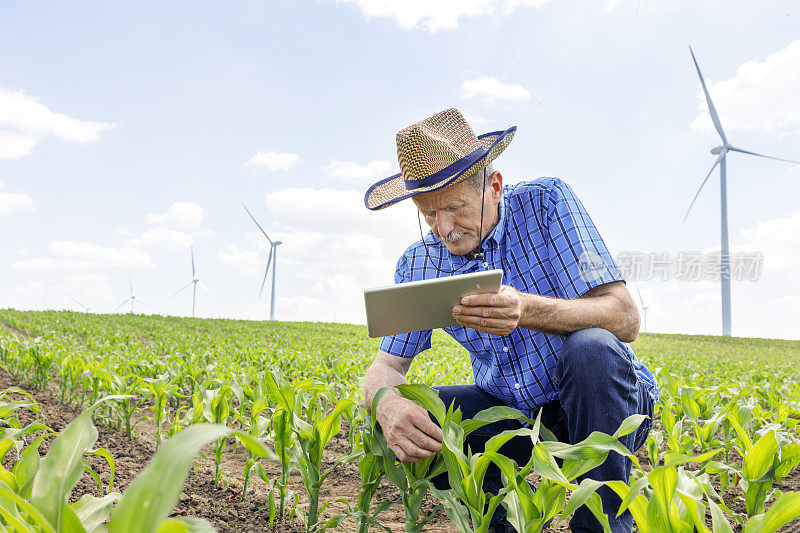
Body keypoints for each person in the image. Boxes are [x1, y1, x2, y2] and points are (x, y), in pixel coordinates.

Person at [362, 108, 658, 533]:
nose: (444, 228)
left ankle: (603, 525)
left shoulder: (546, 203)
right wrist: (387, 404)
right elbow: (386, 367)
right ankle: (493, 526)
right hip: (512, 414)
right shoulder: (419, 264)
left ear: (494, 187)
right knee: (429, 414)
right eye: (428, 214)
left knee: (591, 347)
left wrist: (527, 309)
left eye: (455, 207)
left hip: (600, 403)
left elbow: (625, 317)